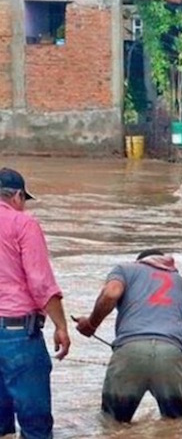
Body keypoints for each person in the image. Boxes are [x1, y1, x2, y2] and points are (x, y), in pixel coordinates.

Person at [75, 249, 182, 423]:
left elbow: (111, 294)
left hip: (131, 351)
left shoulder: (125, 269)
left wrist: (91, 324)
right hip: (171, 355)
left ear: (139, 262)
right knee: (174, 424)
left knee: (113, 424)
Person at [0, 168, 71, 439]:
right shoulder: (24, 224)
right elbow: (40, 282)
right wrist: (61, 326)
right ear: (18, 196)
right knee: (35, 424)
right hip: (17, 335)